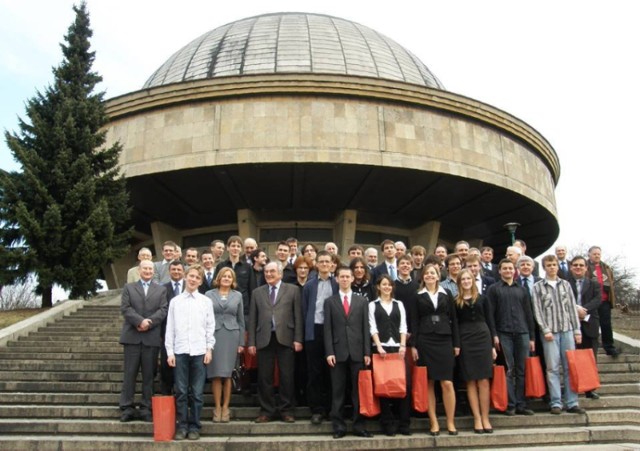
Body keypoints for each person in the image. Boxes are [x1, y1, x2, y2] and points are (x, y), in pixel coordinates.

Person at [248, 262, 303, 423]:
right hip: (264, 339)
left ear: (280, 273)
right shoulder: (257, 293)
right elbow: (252, 319)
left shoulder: (293, 290)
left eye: (272, 271)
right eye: (266, 271)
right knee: (264, 377)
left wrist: (298, 339)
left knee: (287, 376)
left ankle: (287, 410)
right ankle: (267, 411)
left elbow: (298, 316)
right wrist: (251, 341)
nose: (269, 274)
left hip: (286, 338)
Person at [165, 264, 215, 440]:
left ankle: (194, 426)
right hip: (180, 351)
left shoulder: (206, 302)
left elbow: (210, 327)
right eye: (191, 276)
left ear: (201, 281)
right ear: (186, 276)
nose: (193, 279)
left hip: (200, 351)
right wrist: (169, 352)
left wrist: (209, 349)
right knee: (180, 391)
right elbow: (170, 328)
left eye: (197, 278)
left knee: (198, 392)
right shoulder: (175, 302)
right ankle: (182, 426)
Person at [532, 255, 585, 415]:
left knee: (570, 367)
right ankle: (556, 402)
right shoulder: (538, 287)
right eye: (549, 265)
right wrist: (545, 329)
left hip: (567, 329)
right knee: (552, 368)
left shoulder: (566, 285)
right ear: (544, 267)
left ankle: (572, 401)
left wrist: (577, 330)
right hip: (551, 332)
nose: (552, 267)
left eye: (554, 264)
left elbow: (571, 308)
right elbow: (537, 310)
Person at [411, 263, 460, 436]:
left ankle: (450, 422)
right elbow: (414, 322)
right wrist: (414, 346)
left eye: (433, 273)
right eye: (427, 273)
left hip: (444, 339)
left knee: (447, 382)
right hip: (425, 340)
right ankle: (434, 422)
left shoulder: (446, 294)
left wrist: (456, 343)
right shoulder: (418, 296)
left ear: (439, 276)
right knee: (429, 382)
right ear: (422, 277)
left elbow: (453, 319)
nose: (430, 276)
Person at [324, 265, 372, 439]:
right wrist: (329, 351)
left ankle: (359, 425)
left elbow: (366, 328)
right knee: (337, 391)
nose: (344, 279)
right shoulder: (330, 302)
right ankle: (338, 426)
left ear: (353, 279)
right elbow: (327, 329)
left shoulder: (362, 301)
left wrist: (367, 352)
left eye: (347, 277)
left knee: (358, 391)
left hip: (358, 352)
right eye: (341, 277)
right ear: (336, 279)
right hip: (337, 352)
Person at [118, 260, 168, 423]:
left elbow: (163, 310)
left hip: (151, 337)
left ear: (154, 272)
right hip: (132, 336)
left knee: (148, 376)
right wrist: (140, 321)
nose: (147, 271)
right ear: (139, 270)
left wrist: (149, 322)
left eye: (150, 269)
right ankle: (127, 407)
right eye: (145, 268)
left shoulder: (161, 290)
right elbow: (125, 308)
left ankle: (146, 407)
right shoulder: (129, 288)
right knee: (130, 374)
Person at [486, 258, 535, 416]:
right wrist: (493, 335)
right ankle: (511, 404)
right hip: (503, 332)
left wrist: (532, 337)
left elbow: (529, 314)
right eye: (504, 268)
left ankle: (521, 403)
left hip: (522, 332)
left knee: (522, 370)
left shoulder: (522, 290)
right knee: (509, 370)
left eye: (510, 268)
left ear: (515, 271)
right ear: (499, 271)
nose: (508, 271)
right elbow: (490, 315)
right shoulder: (493, 289)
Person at [455, 268, 496, 434]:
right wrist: (457, 344)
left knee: (484, 380)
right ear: (459, 283)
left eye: (468, 278)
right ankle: (477, 418)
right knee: (470, 380)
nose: (466, 281)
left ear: (473, 280)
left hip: (482, 337)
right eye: (463, 279)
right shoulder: (455, 301)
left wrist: (493, 343)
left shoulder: (483, 299)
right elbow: (455, 325)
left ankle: (486, 417)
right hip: (466, 340)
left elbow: (490, 319)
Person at [369, 274, 411, 436]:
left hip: (398, 348)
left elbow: (403, 326)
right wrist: (378, 346)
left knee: (403, 385)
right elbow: (372, 327)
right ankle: (387, 423)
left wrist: (402, 345)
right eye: (384, 284)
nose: (387, 287)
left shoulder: (398, 304)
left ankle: (404, 422)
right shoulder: (373, 305)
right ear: (378, 287)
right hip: (381, 349)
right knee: (383, 385)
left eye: (389, 285)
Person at [302, 250, 338, 424]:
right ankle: (317, 409)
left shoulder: (338, 284)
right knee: (314, 372)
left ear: (332, 264)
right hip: (314, 330)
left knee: (332, 371)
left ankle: (333, 408)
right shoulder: (309, 285)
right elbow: (304, 311)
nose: (324, 264)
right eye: (321, 261)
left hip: (333, 331)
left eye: (327, 262)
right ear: (316, 264)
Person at [205, 267, 245, 423]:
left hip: (231, 335)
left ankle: (226, 407)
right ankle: (217, 408)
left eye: (229, 276)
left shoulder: (238, 296)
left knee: (228, 374)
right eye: (224, 276)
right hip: (214, 335)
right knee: (215, 373)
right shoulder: (209, 295)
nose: (226, 279)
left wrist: (241, 342)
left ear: (233, 279)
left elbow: (241, 320)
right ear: (219, 278)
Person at [569, 255, 602, 399]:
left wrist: (583, 310)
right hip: (570, 323)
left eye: (581, 265)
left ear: (586, 268)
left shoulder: (594, 283)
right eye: (575, 265)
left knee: (590, 358)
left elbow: (597, 300)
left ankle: (590, 389)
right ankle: (574, 387)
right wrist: (575, 309)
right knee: (573, 357)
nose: (578, 267)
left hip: (589, 323)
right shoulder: (565, 283)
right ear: (571, 267)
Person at [587, 246, 618, 357]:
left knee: (606, 325)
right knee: (590, 325)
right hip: (591, 301)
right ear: (589, 255)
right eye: (594, 253)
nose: (597, 255)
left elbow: (611, 281)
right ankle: (590, 348)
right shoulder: (585, 266)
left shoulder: (607, 268)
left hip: (604, 300)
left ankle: (609, 347)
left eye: (598, 254)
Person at [159, 260, 185, 395]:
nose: (176, 272)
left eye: (179, 269)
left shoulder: (190, 286)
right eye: (173, 269)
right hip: (167, 333)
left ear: (183, 271)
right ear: (169, 271)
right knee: (166, 366)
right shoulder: (162, 289)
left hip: (187, 335)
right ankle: (166, 394)